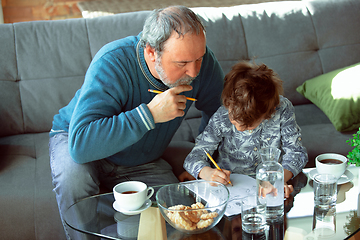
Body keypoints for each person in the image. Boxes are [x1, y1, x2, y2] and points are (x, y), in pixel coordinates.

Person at [49, 5, 224, 240]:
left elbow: (219, 115)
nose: (193, 72)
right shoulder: (112, 62)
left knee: (182, 213)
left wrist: (201, 162)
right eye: (182, 63)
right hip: (78, 140)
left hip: (141, 159)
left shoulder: (204, 65)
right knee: (73, 180)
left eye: (199, 59)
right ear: (152, 52)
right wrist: (149, 115)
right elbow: (80, 145)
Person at [183, 61, 308, 198]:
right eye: (233, 119)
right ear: (228, 104)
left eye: (248, 125)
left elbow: (297, 153)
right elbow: (194, 157)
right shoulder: (222, 115)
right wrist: (207, 173)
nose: (238, 128)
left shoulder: (282, 109)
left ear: (269, 112)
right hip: (231, 186)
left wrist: (278, 179)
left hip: (269, 188)